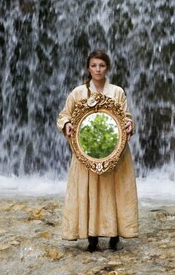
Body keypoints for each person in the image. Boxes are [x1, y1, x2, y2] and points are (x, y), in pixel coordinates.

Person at [57, 50, 139, 252]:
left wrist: (129, 124)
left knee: (113, 190)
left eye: (101, 65)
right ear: (88, 68)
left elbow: (126, 117)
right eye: (94, 65)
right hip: (86, 152)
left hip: (114, 152)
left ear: (107, 68)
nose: (98, 69)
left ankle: (114, 234)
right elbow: (63, 115)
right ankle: (91, 235)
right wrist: (66, 124)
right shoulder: (78, 93)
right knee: (89, 190)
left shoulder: (117, 92)